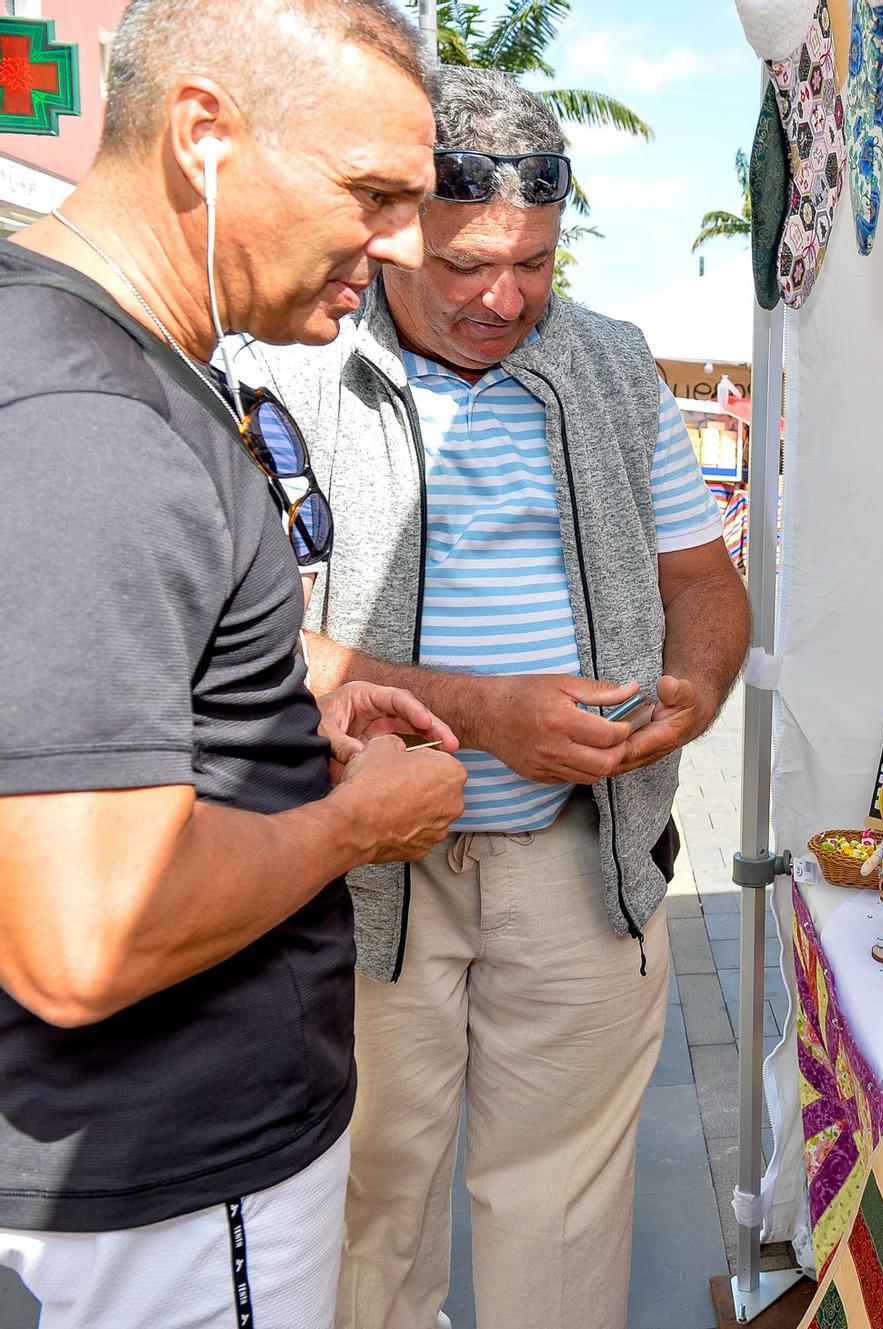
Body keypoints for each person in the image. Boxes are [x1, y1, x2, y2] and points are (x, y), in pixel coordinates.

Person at [255, 65, 752, 1329]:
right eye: (469, 260)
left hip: (579, 865)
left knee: (565, 1207)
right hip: (359, 871)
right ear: (393, 229)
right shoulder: (291, 369)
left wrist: (692, 689)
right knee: (370, 1201)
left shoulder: (614, 366)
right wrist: (485, 715)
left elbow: (703, 582)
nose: (504, 296)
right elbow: (252, 647)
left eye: (533, 260)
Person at [0, 2, 465, 1326]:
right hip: (168, 1197)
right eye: (371, 194)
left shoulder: (83, 361)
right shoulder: (92, 422)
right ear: (203, 134)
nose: (395, 247)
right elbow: (88, 935)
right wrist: (354, 823)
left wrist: (279, 696)